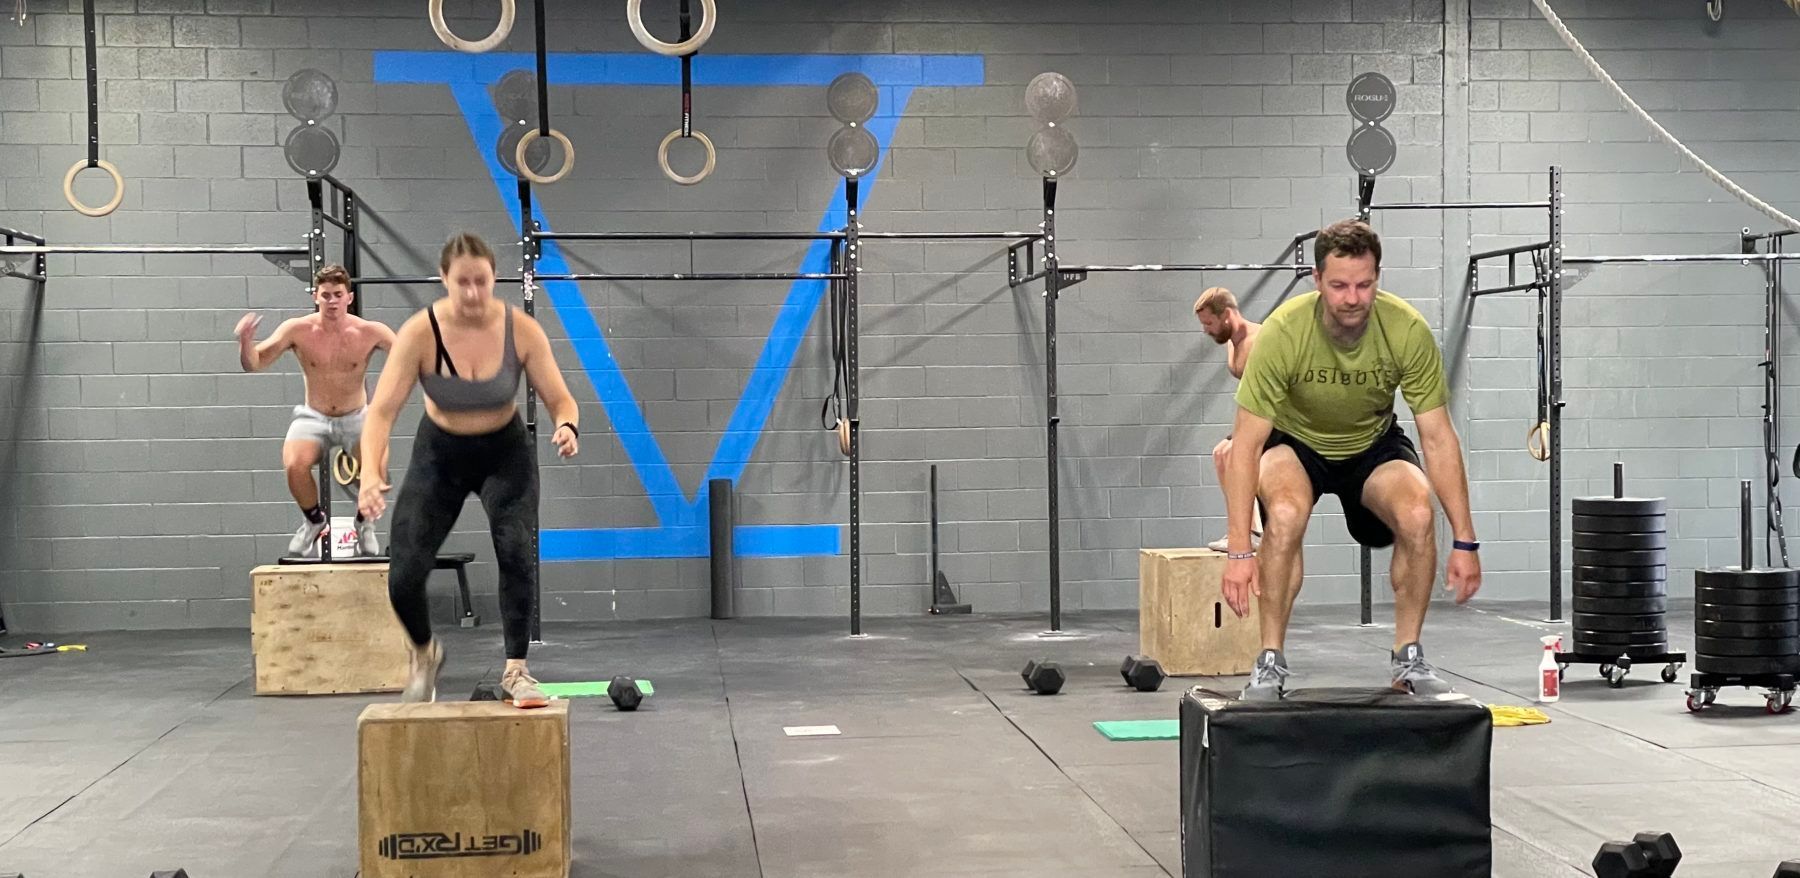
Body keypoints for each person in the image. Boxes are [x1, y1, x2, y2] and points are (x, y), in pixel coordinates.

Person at [1219, 219, 1481, 700]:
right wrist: (1239, 551)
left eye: (1364, 284)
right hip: (1295, 443)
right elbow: (1244, 447)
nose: (1353, 298)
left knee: (1418, 512)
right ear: (1317, 281)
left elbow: (1439, 438)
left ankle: (1408, 657)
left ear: (1377, 278)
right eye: (1339, 285)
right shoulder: (1283, 332)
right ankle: (1270, 660)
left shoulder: (1406, 330)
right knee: (1284, 513)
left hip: (1371, 444)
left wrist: (1465, 540)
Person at [359, 232, 581, 709]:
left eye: (483, 281)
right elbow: (380, 413)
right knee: (403, 573)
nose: (475, 293)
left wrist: (567, 426)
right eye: (464, 283)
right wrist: (369, 476)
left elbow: (561, 399)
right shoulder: (421, 333)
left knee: (517, 551)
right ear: (444, 280)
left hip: (505, 454)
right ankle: (423, 653)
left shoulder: (520, 330)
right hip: (440, 456)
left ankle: (516, 671)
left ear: (493, 278)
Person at [235, 264, 395, 558]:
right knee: (294, 463)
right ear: (315, 297)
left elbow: (409, 359)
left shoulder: (370, 332)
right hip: (314, 416)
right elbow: (253, 363)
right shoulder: (297, 330)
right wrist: (246, 341)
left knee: (379, 467)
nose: (331, 301)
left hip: (357, 415)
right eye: (325, 295)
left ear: (349, 297)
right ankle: (314, 521)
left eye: (337, 295)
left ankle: (365, 523)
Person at [1193, 286, 1263, 554]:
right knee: (1221, 454)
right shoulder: (1232, 345)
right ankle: (1244, 529)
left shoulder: (1259, 339)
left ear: (1228, 315)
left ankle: (1253, 531)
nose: (1206, 330)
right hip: (1254, 416)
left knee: (1231, 454)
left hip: (1277, 418)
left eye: (1209, 322)